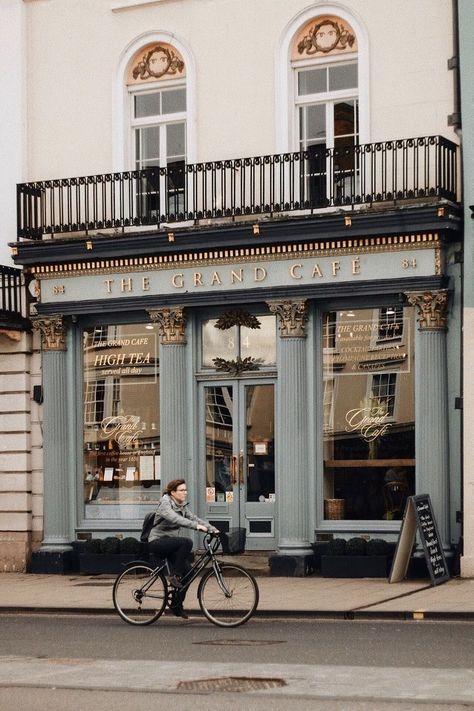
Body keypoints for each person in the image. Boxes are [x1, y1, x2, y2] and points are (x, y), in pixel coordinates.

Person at [148, 478, 218, 619]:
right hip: (157, 542)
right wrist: (196, 527)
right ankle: (174, 575)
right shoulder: (165, 503)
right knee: (186, 542)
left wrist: (213, 529)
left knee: (190, 574)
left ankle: (176, 605)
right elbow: (175, 519)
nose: (185, 493)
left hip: (170, 544)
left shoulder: (181, 505)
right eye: (182, 490)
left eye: (186, 490)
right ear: (173, 492)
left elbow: (195, 518)